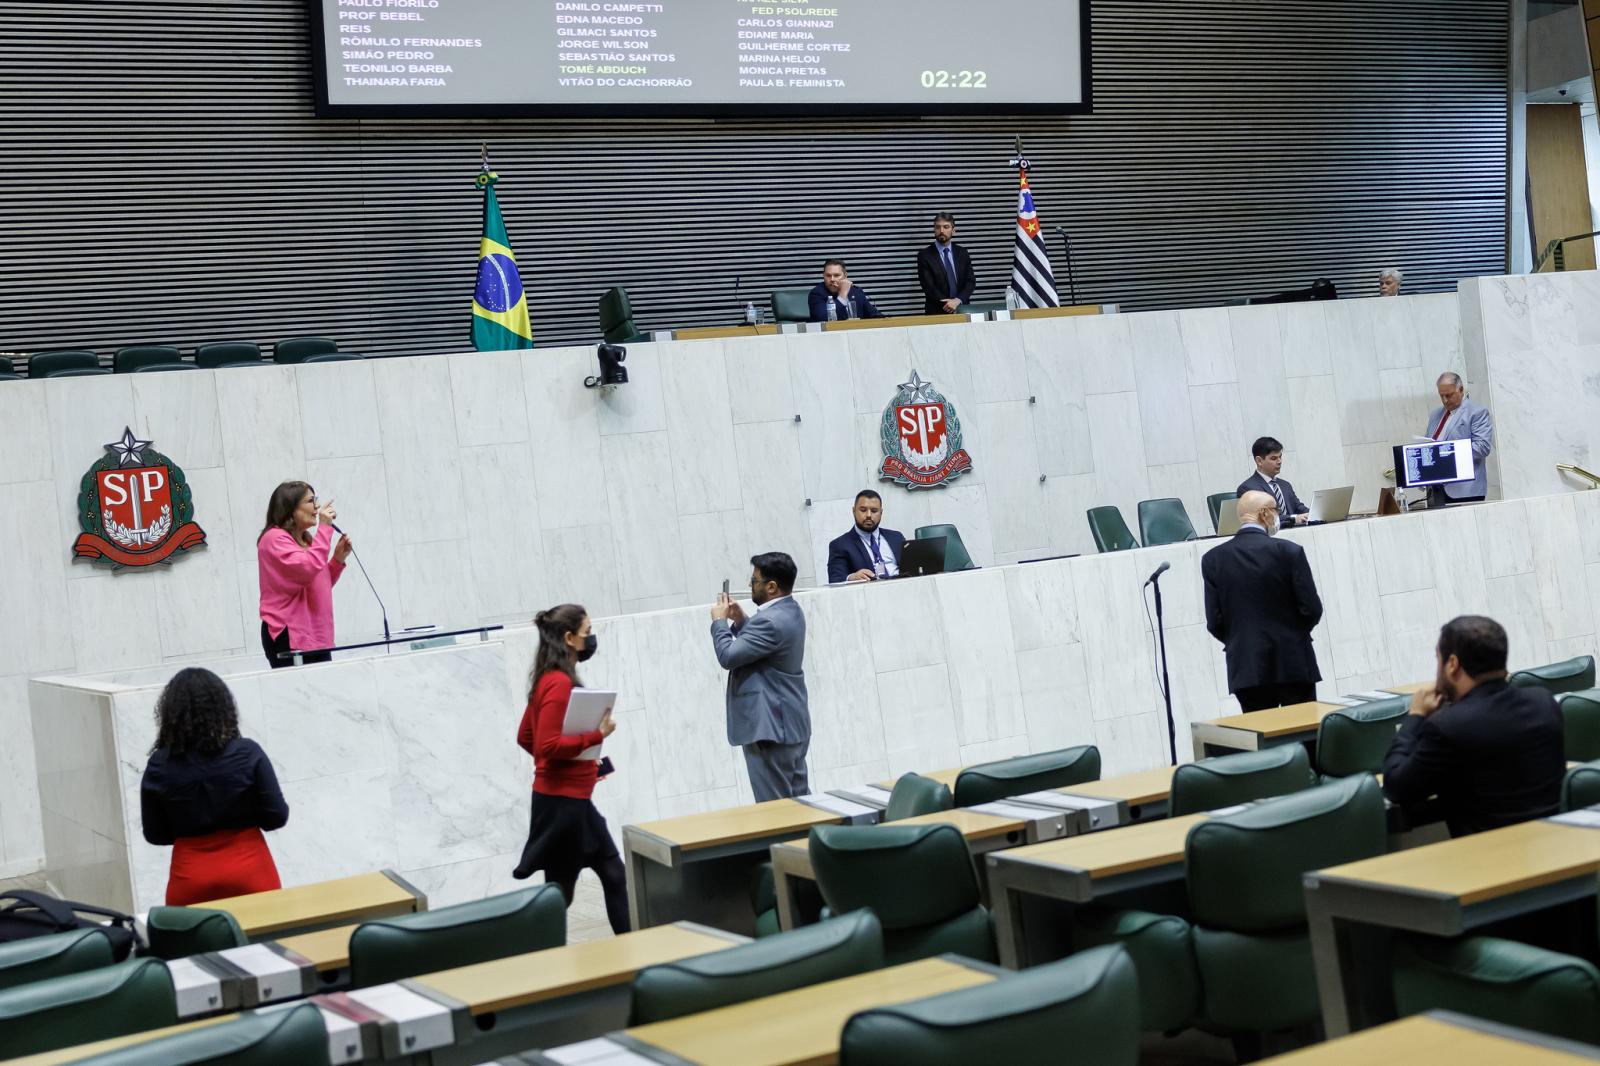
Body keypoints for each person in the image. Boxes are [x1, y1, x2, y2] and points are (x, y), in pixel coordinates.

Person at [1383, 616, 1563, 837]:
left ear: (1452, 665)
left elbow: (1397, 787)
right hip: (1549, 847)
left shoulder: (1448, 726)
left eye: (1437, 659)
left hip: (1487, 861)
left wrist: (1416, 716)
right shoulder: (1543, 702)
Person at [512, 603, 630, 934]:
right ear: (568, 638)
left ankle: (537, 956)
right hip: (565, 805)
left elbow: (527, 738)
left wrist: (580, 764)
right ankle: (636, 957)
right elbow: (546, 745)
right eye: (587, 633)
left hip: (563, 800)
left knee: (564, 891)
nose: (591, 639)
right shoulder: (559, 684)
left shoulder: (547, 679)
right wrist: (596, 736)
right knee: (612, 876)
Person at [140, 668, 288, 906]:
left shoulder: (160, 764)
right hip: (251, 872)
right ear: (224, 708)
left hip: (190, 878)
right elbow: (277, 816)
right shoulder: (247, 753)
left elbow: (154, 833)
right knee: (268, 943)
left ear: (170, 714)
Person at [1202, 490, 1323, 712]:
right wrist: (1293, 635)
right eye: (1277, 510)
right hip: (1293, 663)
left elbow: (1214, 621)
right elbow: (1312, 609)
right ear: (1265, 513)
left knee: (1263, 743)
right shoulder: (1289, 552)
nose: (1279, 515)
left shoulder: (1213, 560)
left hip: (1246, 667)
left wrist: (1242, 642)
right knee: (1305, 740)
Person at [710, 552, 811, 801]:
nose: (749, 585)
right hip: (791, 723)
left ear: (772, 587)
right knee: (801, 805)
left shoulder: (768, 621)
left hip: (770, 729)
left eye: (754, 581)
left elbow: (728, 656)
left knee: (775, 810)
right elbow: (766, 647)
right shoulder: (791, 610)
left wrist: (719, 623)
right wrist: (742, 620)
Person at [257, 481, 351, 668]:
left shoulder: (306, 539)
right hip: (290, 636)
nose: (317, 507)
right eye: (311, 501)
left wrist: (337, 560)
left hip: (315, 636)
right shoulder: (273, 538)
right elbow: (308, 569)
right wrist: (324, 528)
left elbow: (316, 585)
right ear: (290, 507)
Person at [1421, 372, 1493, 509]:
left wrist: (1447, 454)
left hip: (1465, 490)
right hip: (1435, 490)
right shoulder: (1435, 415)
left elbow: (1482, 447)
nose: (1445, 400)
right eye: (1441, 396)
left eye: (1448, 395)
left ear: (1461, 389)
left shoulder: (1477, 412)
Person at [826, 490, 905, 583]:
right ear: (854, 511)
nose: (868, 515)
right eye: (863, 510)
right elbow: (835, 579)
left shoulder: (896, 537)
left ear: (881, 512)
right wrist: (851, 577)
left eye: (874, 511)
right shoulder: (840, 545)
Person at [1236, 436, 1310, 526]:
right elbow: (1263, 518)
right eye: (1274, 458)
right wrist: (1294, 518)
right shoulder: (1248, 488)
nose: (1279, 461)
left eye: (1280, 457)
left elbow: (1298, 507)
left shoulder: (1285, 485)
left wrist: (1312, 514)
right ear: (1259, 461)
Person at [915, 212, 976, 315]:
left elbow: (970, 282)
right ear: (934, 230)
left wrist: (957, 301)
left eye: (946, 227)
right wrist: (949, 304)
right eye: (938, 227)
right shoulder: (925, 255)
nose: (941, 231)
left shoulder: (962, 253)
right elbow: (929, 287)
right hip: (937, 313)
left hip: (962, 309)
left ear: (953, 230)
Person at [808, 259, 884, 322]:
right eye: (828, 276)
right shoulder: (817, 293)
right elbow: (822, 318)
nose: (832, 279)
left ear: (845, 276)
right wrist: (842, 294)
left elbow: (874, 315)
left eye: (836, 275)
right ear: (823, 276)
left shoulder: (856, 291)